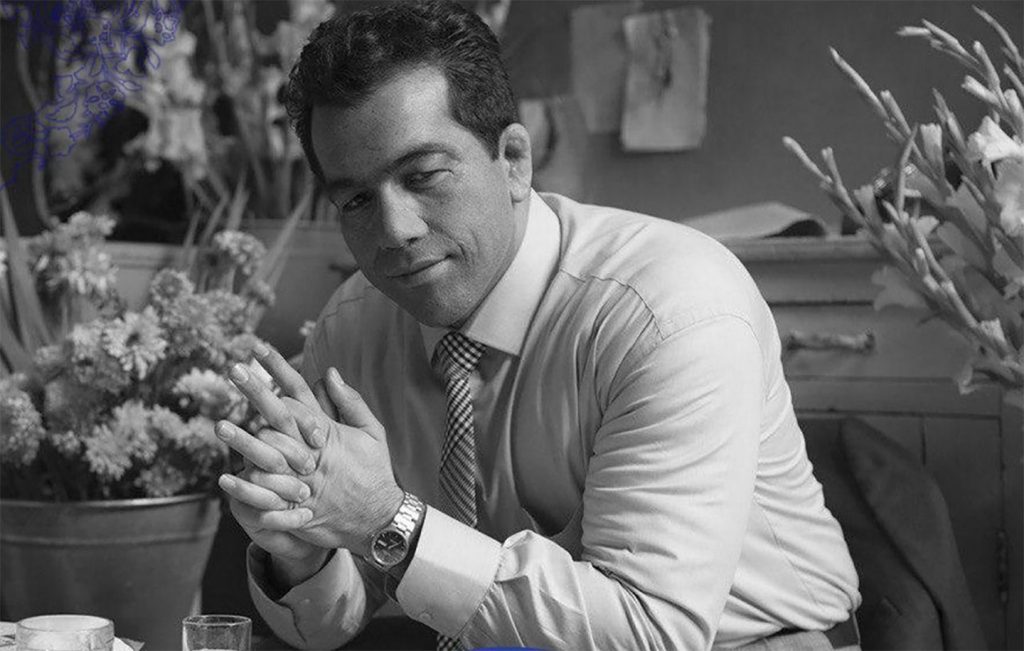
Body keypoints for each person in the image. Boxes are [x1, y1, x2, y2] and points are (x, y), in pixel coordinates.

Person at [214, 1, 862, 649]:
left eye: (423, 175)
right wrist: (303, 550)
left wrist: (386, 519)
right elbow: (330, 625)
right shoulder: (352, 327)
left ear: (515, 160)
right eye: (356, 199)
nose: (394, 230)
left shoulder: (670, 310)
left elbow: (651, 631)